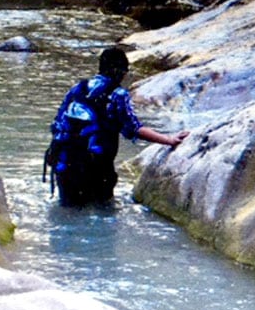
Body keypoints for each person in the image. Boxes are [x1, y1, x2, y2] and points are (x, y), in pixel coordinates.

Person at [47, 48, 189, 207]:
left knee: (69, 211)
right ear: (118, 71)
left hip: (64, 163)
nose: (124, 76)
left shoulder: (78, 88)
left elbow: (57, 124)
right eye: (124, 71)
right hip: (97, 167)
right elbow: (134, 129)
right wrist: (169, 140)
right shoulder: (118, 94)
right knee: (102, 212)